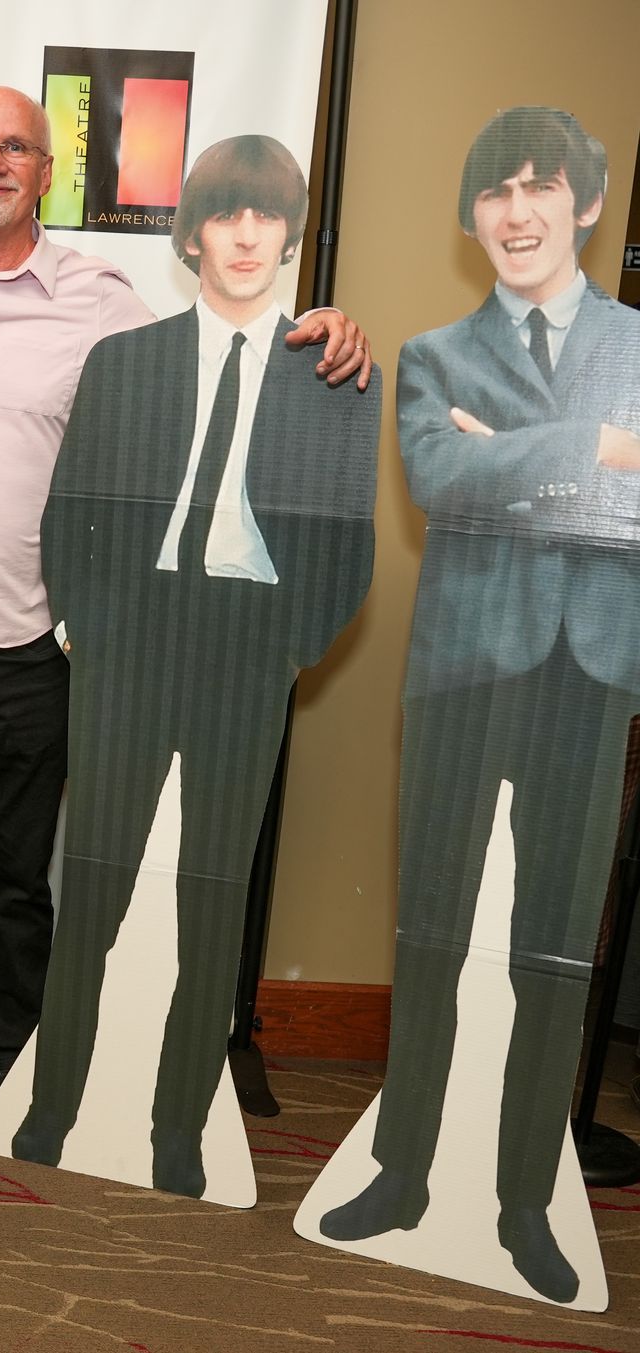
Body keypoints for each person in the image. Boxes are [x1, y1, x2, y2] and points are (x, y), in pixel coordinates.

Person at [0, 86, 372, 1145]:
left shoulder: (102, 300)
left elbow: (219, 347)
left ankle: (8, 1056)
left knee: (23, 877)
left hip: (37, 640)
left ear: (45, 173)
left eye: (17, 147)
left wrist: (323, 323)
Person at [10, 135, 381, 1196]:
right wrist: (81, 629)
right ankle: (56, 1105)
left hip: (246, 645)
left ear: (291, 232)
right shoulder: (126, 363)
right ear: (192, 234)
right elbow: (70, 507)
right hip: (128, 637)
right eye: (228, 214)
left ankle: (180, 1130)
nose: (250, 234)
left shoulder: (337, 376)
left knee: (210, 900)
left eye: (269, 215)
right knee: (98, 884)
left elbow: (347, 540)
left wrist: (289, 650)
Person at [318, 106, 640, 1304]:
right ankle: (403, 1173)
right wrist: (601, 449)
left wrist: (526, 454)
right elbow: (442, 478)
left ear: (586, 204)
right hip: (461, 667)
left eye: (538, 188)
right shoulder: (438, 356)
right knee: (436, 933)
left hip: (596, 668)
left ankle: (524, 1200)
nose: (515, 212)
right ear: (472, 218)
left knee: (551, 951)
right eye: (494, 193)